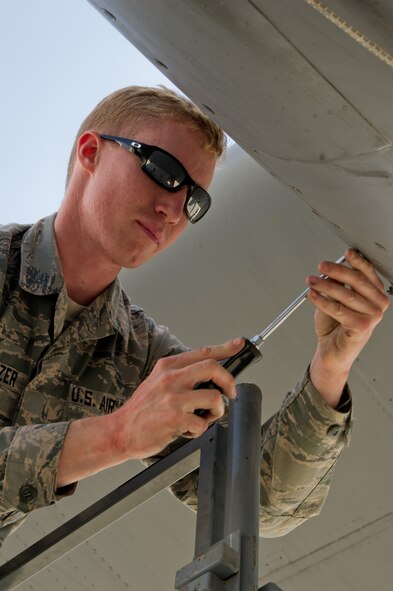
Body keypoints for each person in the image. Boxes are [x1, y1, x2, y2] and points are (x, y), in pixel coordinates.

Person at [0, 86, 389, 546]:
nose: (172, 209)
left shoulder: (138, 354)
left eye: (193, 202)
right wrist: (119, 432)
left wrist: (331, 366)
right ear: (91, 152)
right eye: (163, 172)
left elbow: (254, 504)